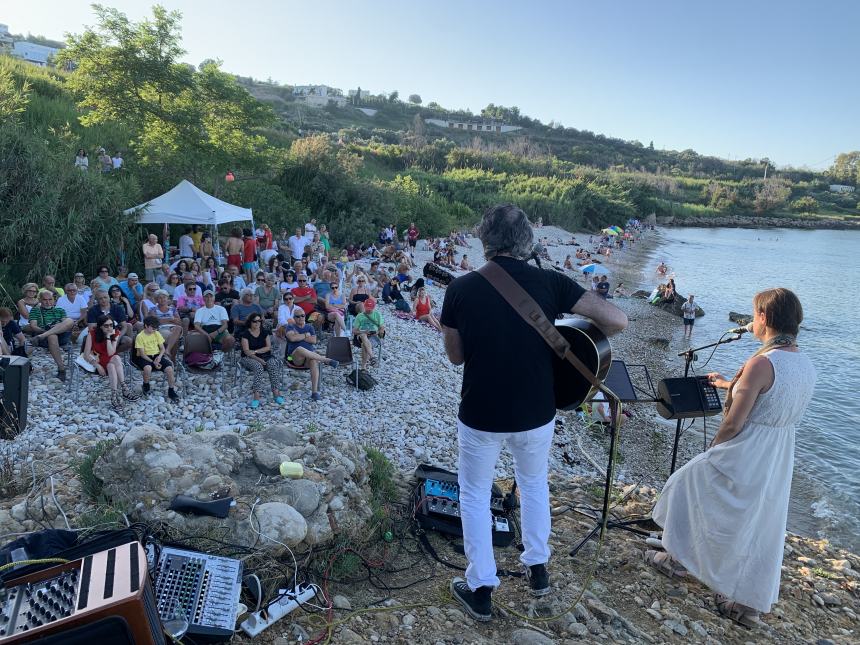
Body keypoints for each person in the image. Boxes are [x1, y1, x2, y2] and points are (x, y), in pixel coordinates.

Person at [439, 204, 627, 622]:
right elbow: (618, 319)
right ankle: (537, 569)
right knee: (534, 484)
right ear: (529, 241)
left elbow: (455, 357)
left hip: (481, 410)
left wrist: (465, 328)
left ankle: (481, 587)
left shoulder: (461, 290)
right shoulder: (551, 281)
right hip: (537, 410)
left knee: (473, 493)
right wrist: (576, 334)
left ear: (484, 241)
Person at [651, 288, 816, 628]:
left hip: (747, 448)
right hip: (778, 452)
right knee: (759, 521)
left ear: (765, 318)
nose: (751, 321)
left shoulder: (761, 363)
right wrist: (729, 385)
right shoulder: (804, 363)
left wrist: (715, 449)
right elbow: (772, 396)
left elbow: (734, 422)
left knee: (685, 483)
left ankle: (677, 559)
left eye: (754, 314)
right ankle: (748, 605)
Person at [84, 314, 140, 411]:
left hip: (110, 359)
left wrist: (108, 337)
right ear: (100, 326)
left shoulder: (115, 333)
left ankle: (114, 395)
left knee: (114, 361)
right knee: (116, 359)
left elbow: (110, 352)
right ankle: (124, 390)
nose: (109, 328)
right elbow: (86, 354)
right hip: (97, 360)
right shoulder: (92, 333)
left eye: (111, 325)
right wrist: (97, 365)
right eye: (106, 326)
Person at [285, 311, 338, 401]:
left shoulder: (309, 327)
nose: (300, 318)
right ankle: (327, 360)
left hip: (309, 357)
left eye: (302, 315)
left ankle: (314, 392)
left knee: (313, 361)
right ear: (294, 318)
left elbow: (313, 340)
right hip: (293, 358)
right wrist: (306, 335)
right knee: (300, 349)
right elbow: (292, 338)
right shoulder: (290, 326)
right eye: (298, 316)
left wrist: (299, 336)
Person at [28, 290, 76, 381]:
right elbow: (33, 326)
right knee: (52, 336)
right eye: (45, 300)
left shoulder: (60, 310)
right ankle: (61, 369)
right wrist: (46, 330)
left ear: (54, 300)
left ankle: (45, 334)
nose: (48, 302)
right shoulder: (35, 310)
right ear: (40, 300)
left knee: (70, 320)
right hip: (44, 337)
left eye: (50, 299)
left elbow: (66, 324)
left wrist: (55, 327)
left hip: (61, 335)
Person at [239, 313, 284, 408]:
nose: (257, 323)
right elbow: (246, 351)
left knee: (273, 365)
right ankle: (256, 396)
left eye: (259, 321)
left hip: (264, 355)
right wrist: (258, 358)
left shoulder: (264, 332)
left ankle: (276, 393)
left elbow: (268, 347)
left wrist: (255, 351)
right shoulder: (245, 334)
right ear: (250, 322)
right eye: (255, 321)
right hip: (248, 358)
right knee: (258, 367)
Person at [133, 316, 180, 400]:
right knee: (148, 368)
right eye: (153, 328)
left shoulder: (156, 333)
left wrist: (159, 357)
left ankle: (171, 390)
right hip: (144, 357)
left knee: (169, 369)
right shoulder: (140, 336)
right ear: (146, 326)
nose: (154, 330)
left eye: (156, 328)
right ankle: (146, 385)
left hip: (156, 355)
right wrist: (153, 362)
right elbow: (142, 354)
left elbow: (162, 349)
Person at [352, 299, 385, 370]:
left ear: (373, 307)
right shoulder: (360, 316)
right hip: (361, 336)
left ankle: (363, 367)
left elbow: (382, 328)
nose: (369, 310)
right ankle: (372, 357)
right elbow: (354, 331)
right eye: (367, 308)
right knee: (363, 335)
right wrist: (363, 332)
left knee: (364, 345)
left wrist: (377, 332)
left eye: (370, 308)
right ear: (364, 306)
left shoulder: (377, 314)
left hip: (374, 336)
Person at [151, 290, 182, 359]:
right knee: (175, 340)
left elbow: (179, 322)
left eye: (164, 297)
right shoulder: (153, 309)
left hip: (173, 328)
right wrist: (170, 319)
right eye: (160, 298)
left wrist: (162, 320)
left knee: (178, 328)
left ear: (167, 299)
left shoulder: (173, 309)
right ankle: (173, 360)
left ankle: (167, 350)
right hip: (161, 328)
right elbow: (155, 322)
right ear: (156, 300)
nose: (163, 299)